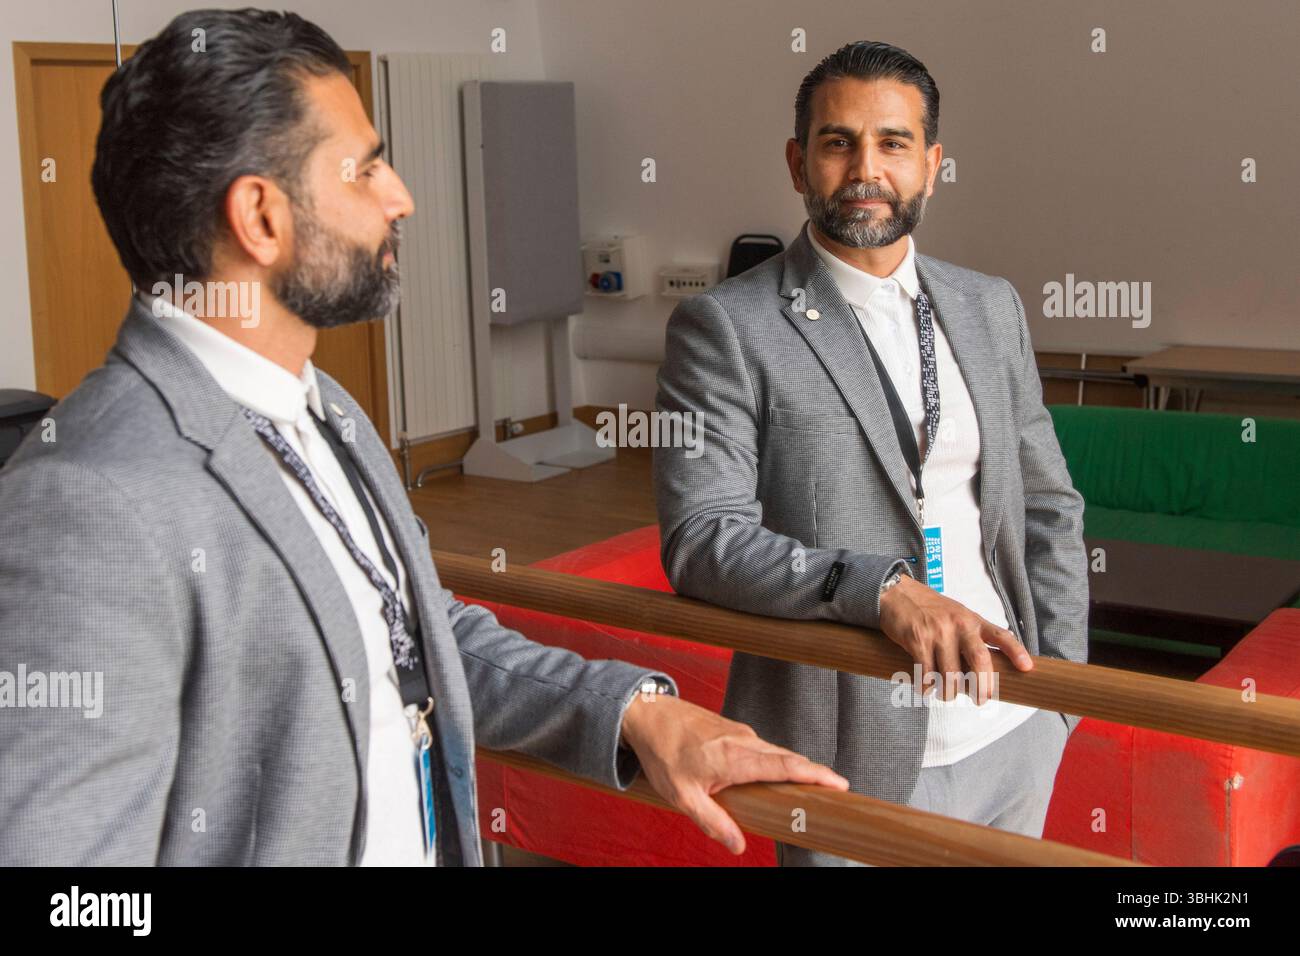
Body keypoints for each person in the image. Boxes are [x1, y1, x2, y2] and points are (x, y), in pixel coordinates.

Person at [0, 8, 849, 866]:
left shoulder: (324, 409)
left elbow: (405, 636)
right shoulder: (87, 500)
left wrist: (638, 710)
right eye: (365, 169)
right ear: (259, 216)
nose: (400, 196)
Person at [653, 40, 1088, 866]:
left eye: (892, 142)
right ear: (797, 162)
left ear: (931, 163)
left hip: (1014, 730)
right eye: (836, 141)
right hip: (844, 751)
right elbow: (702, 538)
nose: (865, 167)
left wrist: (1061, 693)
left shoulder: (990, 306)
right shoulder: (727, 328)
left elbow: (1048, 506)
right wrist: (880, 590)